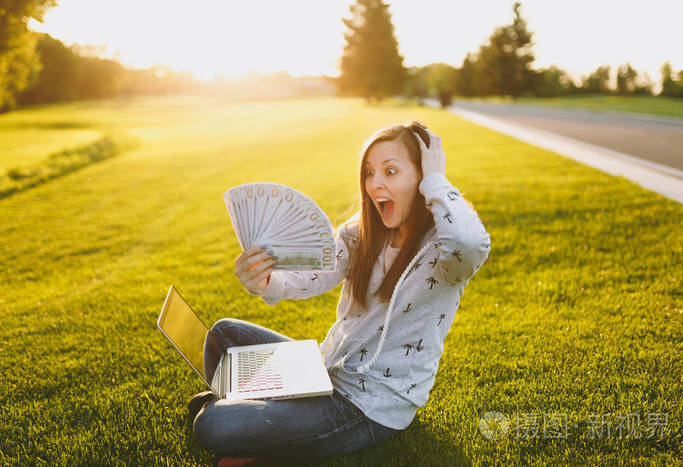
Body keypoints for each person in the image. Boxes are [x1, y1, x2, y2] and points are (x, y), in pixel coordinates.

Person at [190, 121, 491, 464]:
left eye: (391, 171)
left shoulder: (445, 251)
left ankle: (254, 419)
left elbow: (469, 241)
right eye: (369, 172)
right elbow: (311, 274)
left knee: (212, 424)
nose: (376, 182)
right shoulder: (362, 233)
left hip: (369, 407)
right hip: (323, 371)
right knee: (223, 335)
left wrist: (437, 179)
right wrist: (265, 281)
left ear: (422, 176)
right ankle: (263, 414)